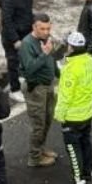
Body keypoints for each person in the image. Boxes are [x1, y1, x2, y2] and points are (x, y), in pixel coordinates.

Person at [55, 32, 92, 184]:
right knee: (86, 143)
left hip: (72, 117)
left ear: (71, 47)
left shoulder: (70, 69)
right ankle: (88, 177)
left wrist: (60, 115)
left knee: (74, 150)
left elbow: (65, 96)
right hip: (87, 112)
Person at [19, 13, 60, 168]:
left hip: (48, 85)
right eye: (42, 28)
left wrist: (60, 76)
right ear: (34, 27)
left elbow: (52, 60)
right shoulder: (27, 44)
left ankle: (41, 148)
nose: (46, 32)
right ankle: (34, 157)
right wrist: (44, 54)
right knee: (38, 124)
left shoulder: (46, 40)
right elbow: (29, 69)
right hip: (35, 88)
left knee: (47, 119)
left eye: (48, 28)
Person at [0, 0, 35, 105]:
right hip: (12, 37)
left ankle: (21, 78)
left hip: (25, 31)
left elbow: (28, 11)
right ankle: (14, 89)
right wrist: (15, 39)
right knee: (13, 62)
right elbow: (7, 20)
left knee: (25, 58)